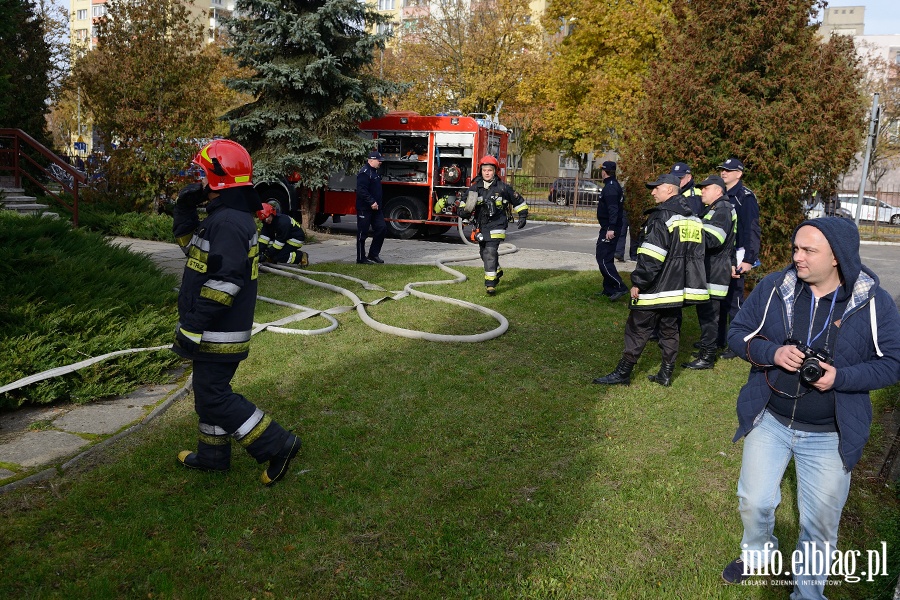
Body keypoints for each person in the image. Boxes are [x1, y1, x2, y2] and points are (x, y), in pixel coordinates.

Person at [721, 218, 900, 597]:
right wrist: (773, 352)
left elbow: (893, 363)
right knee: (754, 501)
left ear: (837, 257)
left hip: (831, 433)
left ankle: (807, 593)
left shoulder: (873, 302)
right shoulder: (775, 287)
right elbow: (737, 333)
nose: (796, 257)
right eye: (795, 248)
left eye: (808, 251)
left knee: (819, 525)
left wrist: (840, 378)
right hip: (770, 419)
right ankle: (757, 554)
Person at [172, 139, 301, 486]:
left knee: (214, 395)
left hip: (217, 329)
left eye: (201, 173)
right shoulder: (227, 217)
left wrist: (194, 324)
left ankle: (278, 444)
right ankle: (213, 456)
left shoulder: (227, 222)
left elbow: (225, 281)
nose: (196, 179)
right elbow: (196, 255)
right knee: (208, 391)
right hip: (219, 327)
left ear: (217, 178)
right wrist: (184, 211)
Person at [592, 173, 707, 387]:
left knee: (637, 328)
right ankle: (665, 374)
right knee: (670, 329)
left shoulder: (662, 216)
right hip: (677, 289)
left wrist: (638, 283)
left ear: (670, 190)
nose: (653, 192)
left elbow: (652, 257)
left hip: (656, 286)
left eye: (657, 188)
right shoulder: (693, 218)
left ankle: (623, 373)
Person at [682, 175, 737, 370]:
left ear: (718, 191)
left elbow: (714, 240)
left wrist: (689, 233)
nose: (701, 191)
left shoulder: (721, 209)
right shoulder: (716, 208)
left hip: (714, 270)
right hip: (713, 267)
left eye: (706, 188)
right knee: (706, 313)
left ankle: (707, 357)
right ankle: (707, 349)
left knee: (709, 315)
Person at [457, 155, 528, 295]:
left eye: (490, 170)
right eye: (484, 170)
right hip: (481, 225)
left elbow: (518, 201)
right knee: (483, 253)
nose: (487, 173)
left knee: (490, 252)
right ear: (480, 171)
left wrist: (523, 215)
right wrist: (465, 212)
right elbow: (462, 207)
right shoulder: (474, 188)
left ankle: (490, 284)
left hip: (497, 224)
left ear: (495, 171)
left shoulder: (502, 188)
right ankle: (497, 270)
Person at [716, 157, 761, 359]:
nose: (723, 172)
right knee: (719, 299)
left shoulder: (745, 197)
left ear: (739, 173)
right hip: (721, 254)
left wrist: (749, 259)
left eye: (728, 170)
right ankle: (718, 339)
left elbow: (752, 229)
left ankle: (735, 343)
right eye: (722, 169)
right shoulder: (720, 193)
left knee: (734, 301)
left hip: (738, 255)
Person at [594, 160, 628, 301]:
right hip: (608, 227)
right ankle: (608, 289)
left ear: (604, 171)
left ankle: (619, 286)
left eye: (602, 170)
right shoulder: (611, 185)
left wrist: (611, 228)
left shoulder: (611, 188)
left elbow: (613, 210)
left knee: (603, 259)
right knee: (605, 258)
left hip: (609, 228)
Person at [356, 150, 386, 265]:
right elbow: (361, 190)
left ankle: (373, 254)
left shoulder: (374, 172)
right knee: (362, 234)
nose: (380, 163)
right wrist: (371, 202)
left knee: (382, 228)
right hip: (365, 208)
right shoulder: (365, 172)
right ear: (371, 160)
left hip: (376, 209)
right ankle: (360, 258)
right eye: (379, 161)